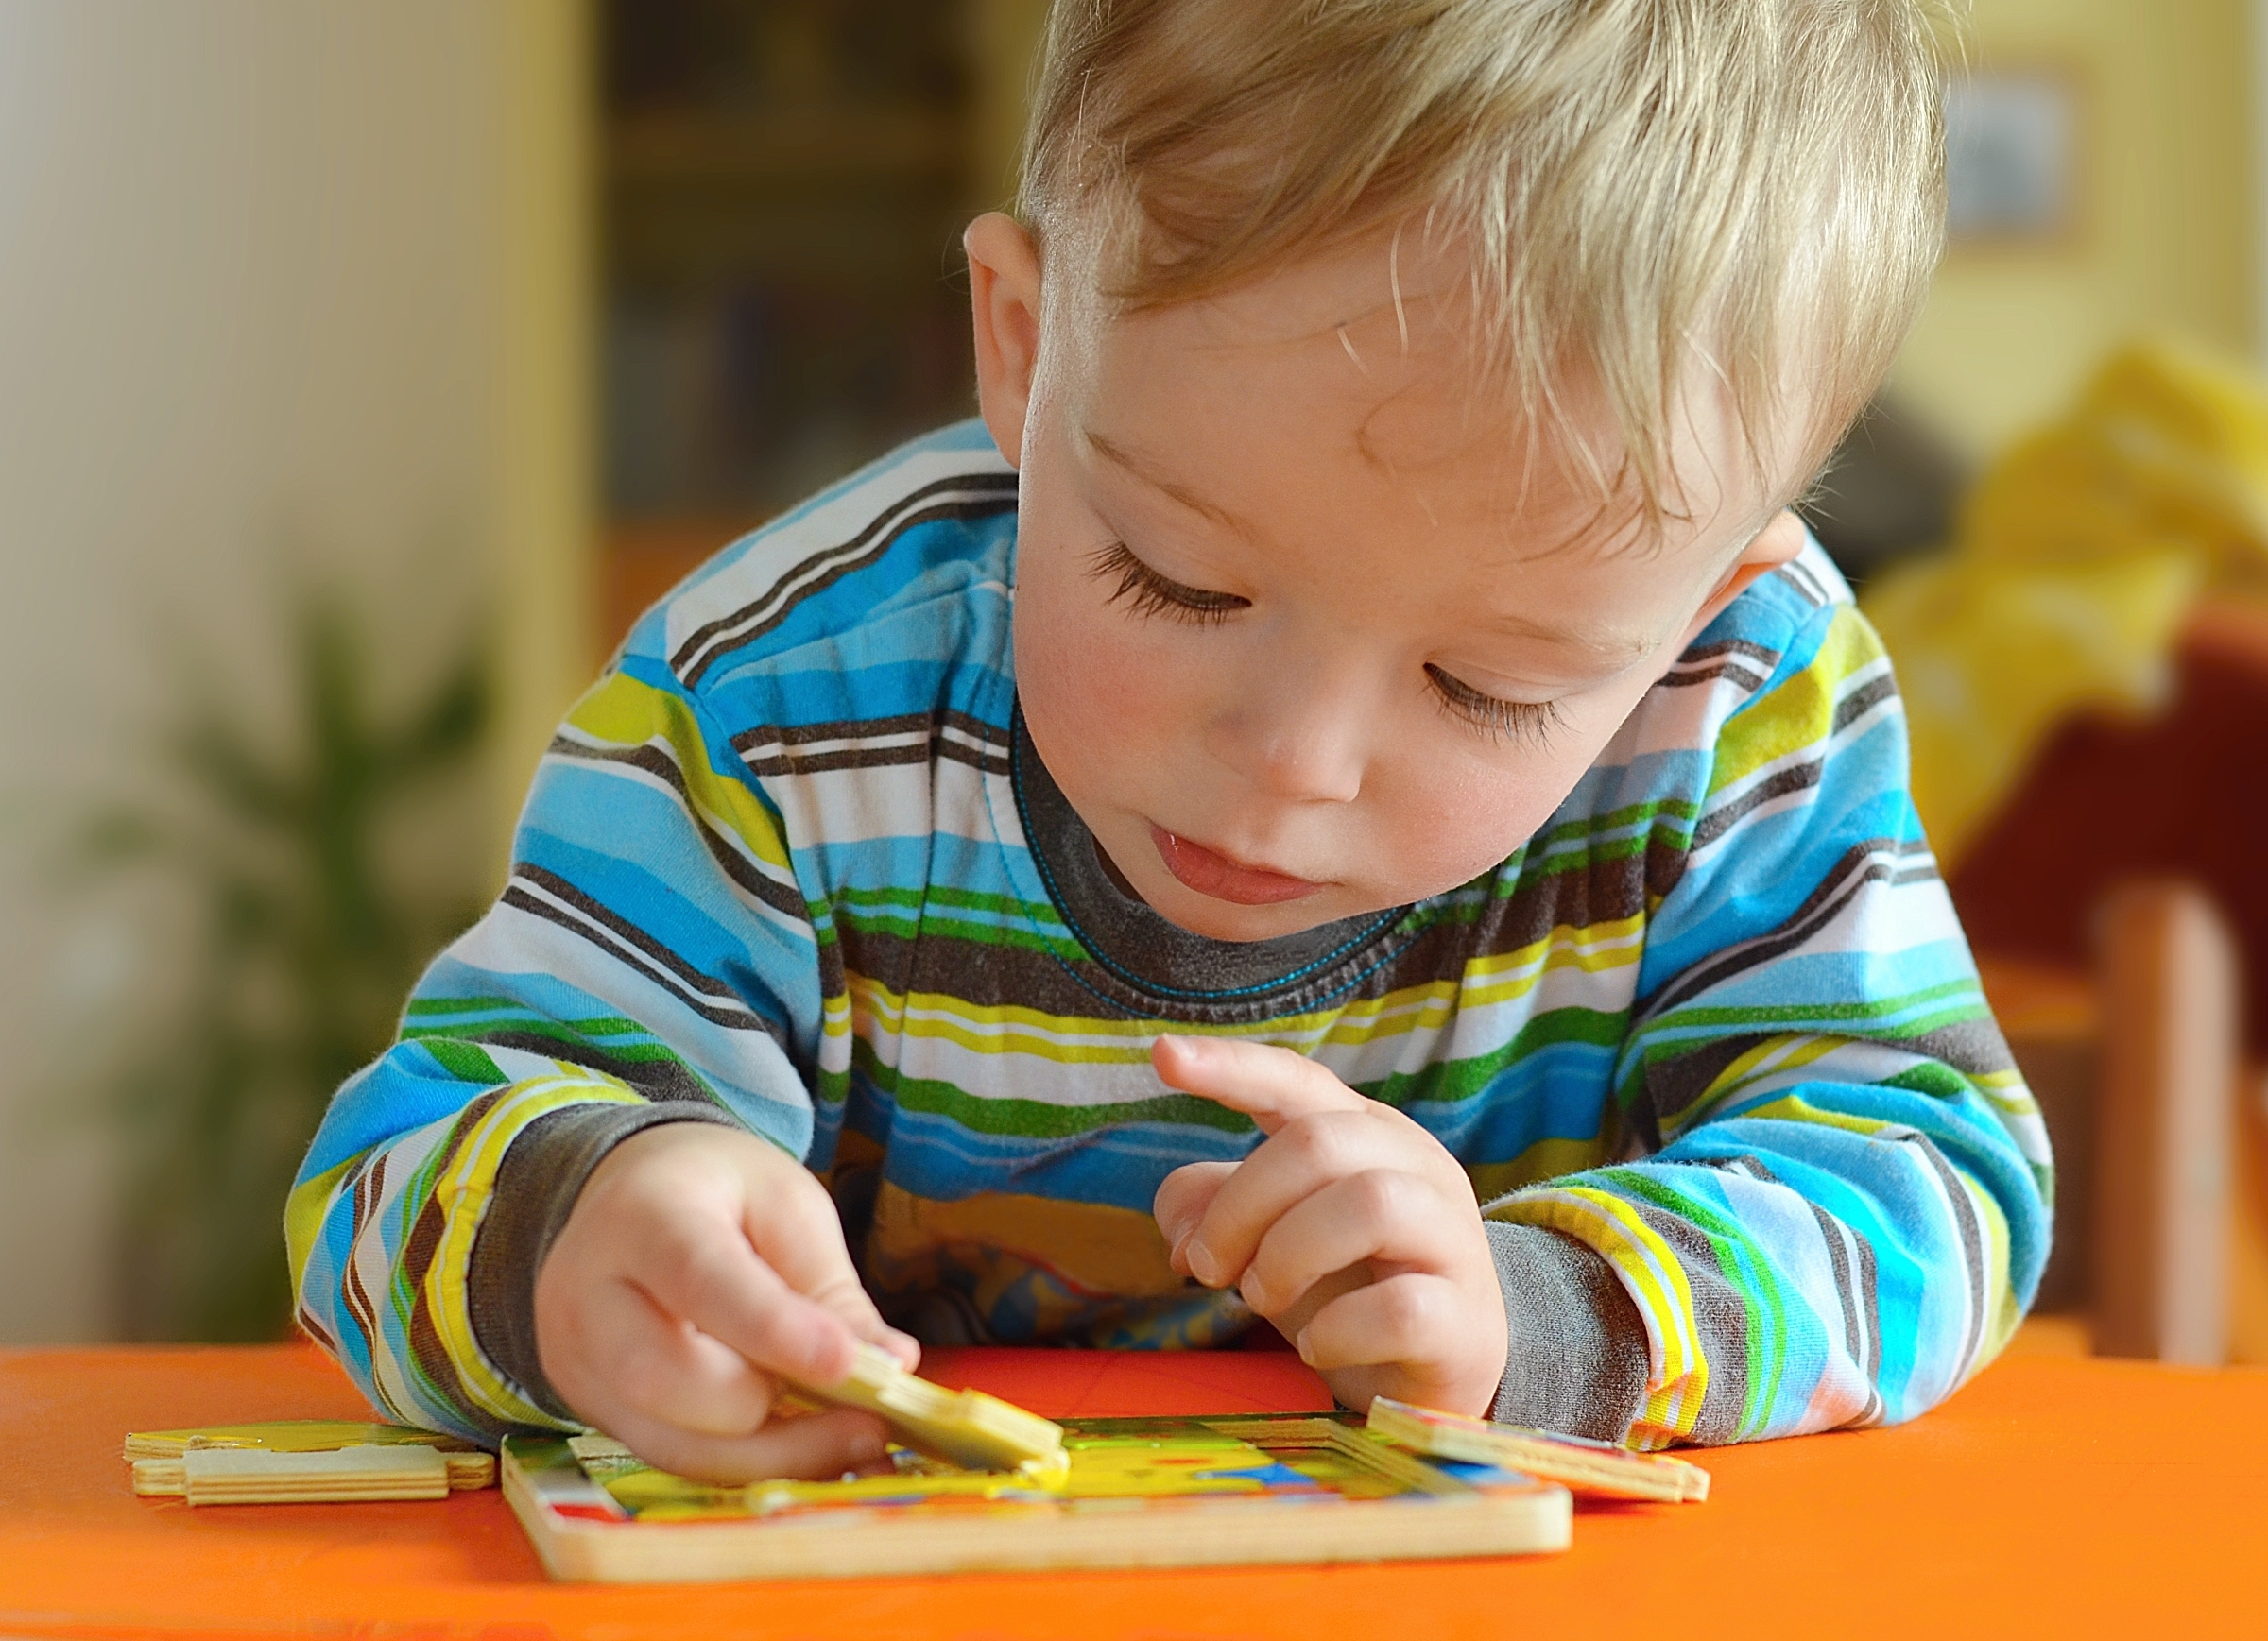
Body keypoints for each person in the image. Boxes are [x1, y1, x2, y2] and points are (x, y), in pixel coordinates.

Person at [289, 0, 2049, 1482]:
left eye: (1491, 687)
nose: (1295, 762)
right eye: (1182, 582)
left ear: (1701, 601)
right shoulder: (775, 702)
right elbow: (382, 1180)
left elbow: (1937, 1182)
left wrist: (1554, 1310)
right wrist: (570, 1223)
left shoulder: (1740, 697)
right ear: (1025, 345)